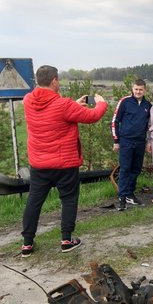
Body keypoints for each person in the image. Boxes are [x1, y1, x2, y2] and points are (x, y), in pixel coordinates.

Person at [21, 65, 108, 257]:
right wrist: (101, 103)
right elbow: (92, 116)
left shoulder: (28, 100)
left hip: (39, 163)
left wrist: (74, 104)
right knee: (68, 200)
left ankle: (27, 243)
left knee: (34, 201)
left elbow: (54, 111)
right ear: (54, 81)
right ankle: (66, 240)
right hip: (64, 164)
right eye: (58, 79)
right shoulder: (64, 105)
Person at [111, 79, 152, 211]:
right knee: (125, 169)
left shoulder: (148, 105)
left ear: (144, 90)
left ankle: (130, 194)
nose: (138, 92)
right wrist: (116, 140)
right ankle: (122, 197)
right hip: (126, 141)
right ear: (132, 89)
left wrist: (148, 141)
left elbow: (150, 125)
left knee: (136, 169)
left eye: (140, 89)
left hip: (140, 142)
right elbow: (115, 121)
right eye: (136, 89)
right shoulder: (125, 102)